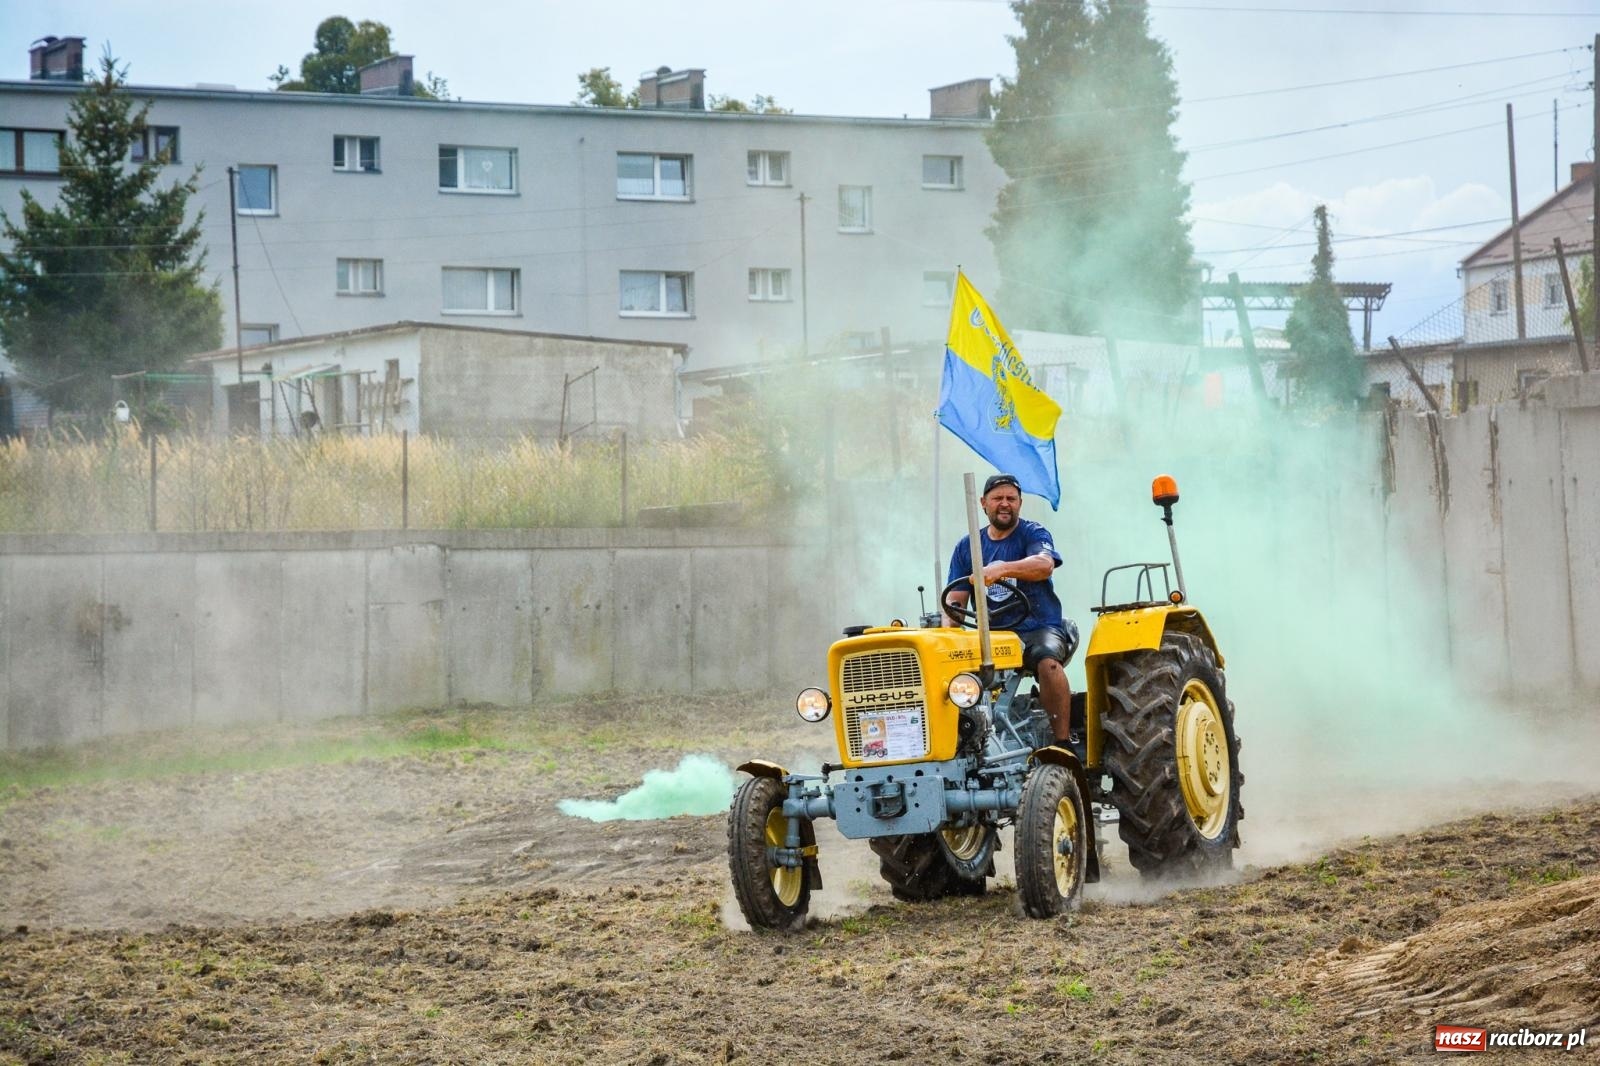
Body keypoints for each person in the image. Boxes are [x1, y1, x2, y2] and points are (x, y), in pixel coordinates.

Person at [943, 473, 1080, 743]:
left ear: (1020, 503)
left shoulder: (1033, 533)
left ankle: (1063, 744)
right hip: (991, 634)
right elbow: (955, 601)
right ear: (983, 503)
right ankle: (957, 742)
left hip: (1037, 628)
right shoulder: (967, 546)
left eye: (1011, 499)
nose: (1004, 504)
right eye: (997, 498)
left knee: (1048, 662)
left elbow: (1044, 565)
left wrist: (1002, 568)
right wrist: (948, 634)